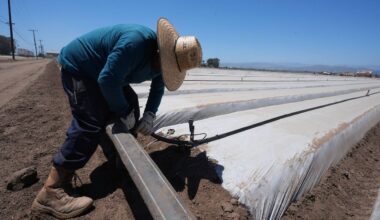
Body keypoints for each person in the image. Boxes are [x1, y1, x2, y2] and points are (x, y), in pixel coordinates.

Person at [31, 18, 202, 219]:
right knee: (90, 121)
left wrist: (149, 114)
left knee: (130, 100)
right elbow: (108, 80)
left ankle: (119, 156)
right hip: (80, 68)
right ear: (161, 51)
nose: (162, 70)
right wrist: (122, 112)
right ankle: (51, 192)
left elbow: (157, 86)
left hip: (102, 71)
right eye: (164, 65)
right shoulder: (134, 44)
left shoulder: (161, 61)